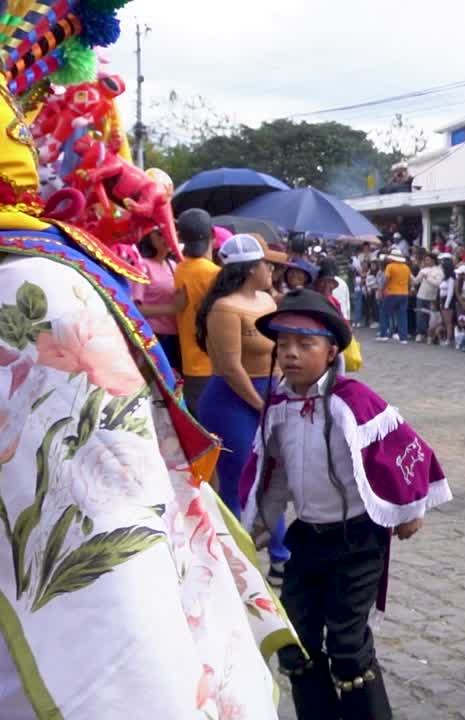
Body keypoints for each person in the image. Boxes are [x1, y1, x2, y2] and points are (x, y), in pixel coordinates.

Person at [0, 94, 297, 717]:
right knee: (233, 485)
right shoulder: (197, 289)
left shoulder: (52, 277)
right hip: (214, 387)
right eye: (267, 265)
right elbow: (219, 349)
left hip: (190, 386)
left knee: (245, 483)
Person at [241, 289, 451, 720]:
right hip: (307, 538)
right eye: (283, 346)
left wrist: (410, 509)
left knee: (347, 645)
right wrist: (257, 525)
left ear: (331, 350)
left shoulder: (354, 401)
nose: (291, 355)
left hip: (357, 539)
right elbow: (273, 473)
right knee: (295, 642)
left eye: (305, 345)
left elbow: (402, 450)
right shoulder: (279, 406)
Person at [196, 233, 291, 585]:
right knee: (239, 483)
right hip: (232, 401)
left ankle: (280, 556)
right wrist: (259, 403)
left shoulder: (267, 300)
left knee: (275, 478)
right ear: (251, 268)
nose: (271, 270)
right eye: (267, 264)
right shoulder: (224, 308)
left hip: (269, 395)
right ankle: (239, 562)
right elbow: (230, 365)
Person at [170, 209, 221, 416]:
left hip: (190, 362)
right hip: (214, 363)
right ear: (213, 234)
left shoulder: (181, 268)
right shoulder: (215, 274)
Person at [133, 228, 182, 371]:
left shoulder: (173, 266)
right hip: (154, 338)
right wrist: (172, 309)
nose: (166, 237)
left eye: (171, 232)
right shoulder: (142, 266)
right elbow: (135, 309)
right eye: (160, 234)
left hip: (175, 337)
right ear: (148, 236)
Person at [378, 250, 411, 343]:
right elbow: (409, 281)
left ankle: (383, 334)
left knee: (384, 312)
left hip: (392, 292)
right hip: (404, 293)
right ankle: (403, 338)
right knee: (402, 315)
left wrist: (381, 289)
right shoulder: (406, 267)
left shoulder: (390, 266)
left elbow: (386, 279)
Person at [413, 252, 444, 343]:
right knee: (420, 315)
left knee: (430, 318)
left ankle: (429, 335)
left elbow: (437, 284)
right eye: (425, 260)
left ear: (433, 260)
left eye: (428, 260)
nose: (426, 262)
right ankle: (420, 334)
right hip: (421, 295)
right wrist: (409, 275)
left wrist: (427, 278)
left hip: (431, 297)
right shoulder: (423, 270)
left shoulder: (439, 271)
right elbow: (415, 281)